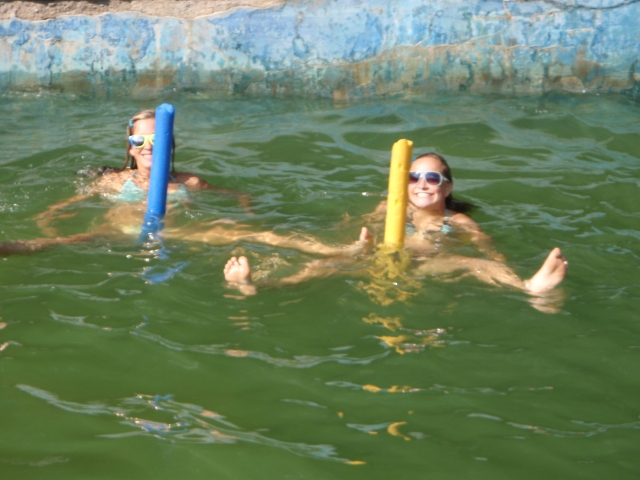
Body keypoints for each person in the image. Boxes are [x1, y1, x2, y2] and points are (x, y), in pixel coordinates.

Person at [1, 110, 361, 257]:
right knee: (63, 241)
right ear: (130, 147)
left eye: (156, 140)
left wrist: (246, 210)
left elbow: (238, 194)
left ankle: (340, 251)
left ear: (170, 145)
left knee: (260, 235)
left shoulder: (189, 181)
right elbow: (66, 205)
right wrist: (50, 219)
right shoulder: (113, 181)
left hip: (180, 233)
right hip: (118, 232)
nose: (148, 147)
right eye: (139, 141)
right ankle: (10, 248)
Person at [223, 152, 568, 302]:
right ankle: (256, 286)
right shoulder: (390, 207)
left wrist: (499, 261)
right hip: (376, 258)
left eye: (432, 178)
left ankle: (528, 286)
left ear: (447, 188)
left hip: (421, 264)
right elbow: (364, 227)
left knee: (478, 265)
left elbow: (487, 250)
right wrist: (360, 241)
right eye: (414, 177)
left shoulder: (457, 220)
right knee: (321, 264)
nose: (422, 184)